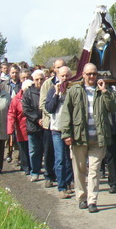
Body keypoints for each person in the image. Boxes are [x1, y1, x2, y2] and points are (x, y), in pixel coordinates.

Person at [60, 63, 116, 213]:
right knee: (79, 169)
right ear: (83, 75)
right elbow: (66, 113)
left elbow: (113, 107)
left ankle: (92, 201)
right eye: (89, 74)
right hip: (80, 137)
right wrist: (66, 133)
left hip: (98, 138)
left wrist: (105, 91)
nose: (92, 76)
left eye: (94, 73)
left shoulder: (104, 90)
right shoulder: (75, 91)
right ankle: (82, 197)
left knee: (94, 170)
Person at [45, 66, 74, 199]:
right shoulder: (52, 90)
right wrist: (56, 94)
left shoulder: (73, 90)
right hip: (57, 129)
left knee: (70, 159)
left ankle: (68, 183)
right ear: (58, 75)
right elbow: (49, 108)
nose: (64, 78)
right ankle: (61, 186)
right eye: (62, 76)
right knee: (60, 159)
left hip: (70, 129)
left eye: (67, 76)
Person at [38, 59, 65, 188]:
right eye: (58, 67)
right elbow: (43, 104)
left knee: (63, 154)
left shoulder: (69, 83)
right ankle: (49, 175)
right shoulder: (47, 84)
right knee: (49, 150)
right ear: (54, 69)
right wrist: (52, 113)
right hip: (49, 122)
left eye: (63, 66)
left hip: (63, 123)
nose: (60, 69)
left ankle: (65, 178)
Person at [22, 70, 46, 182]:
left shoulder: (47, 90)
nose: (39, 81)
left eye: (41, 79)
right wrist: (37, 119)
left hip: (46, 126)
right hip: (33, 126)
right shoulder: (28, 92)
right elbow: (26, 109)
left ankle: (48, 172)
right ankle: (35, 171)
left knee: (47, 150)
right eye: (37, 79)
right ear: (33, 80)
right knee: (34, 151)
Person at [7, 79, 33, 175]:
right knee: (23, 148)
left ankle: (32, 166)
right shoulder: (16, 99)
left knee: (33, 148)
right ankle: (25, 166)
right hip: (21, 128)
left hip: (33, 127)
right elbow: (11, 114)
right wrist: (10, 130)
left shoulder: (34, 96)